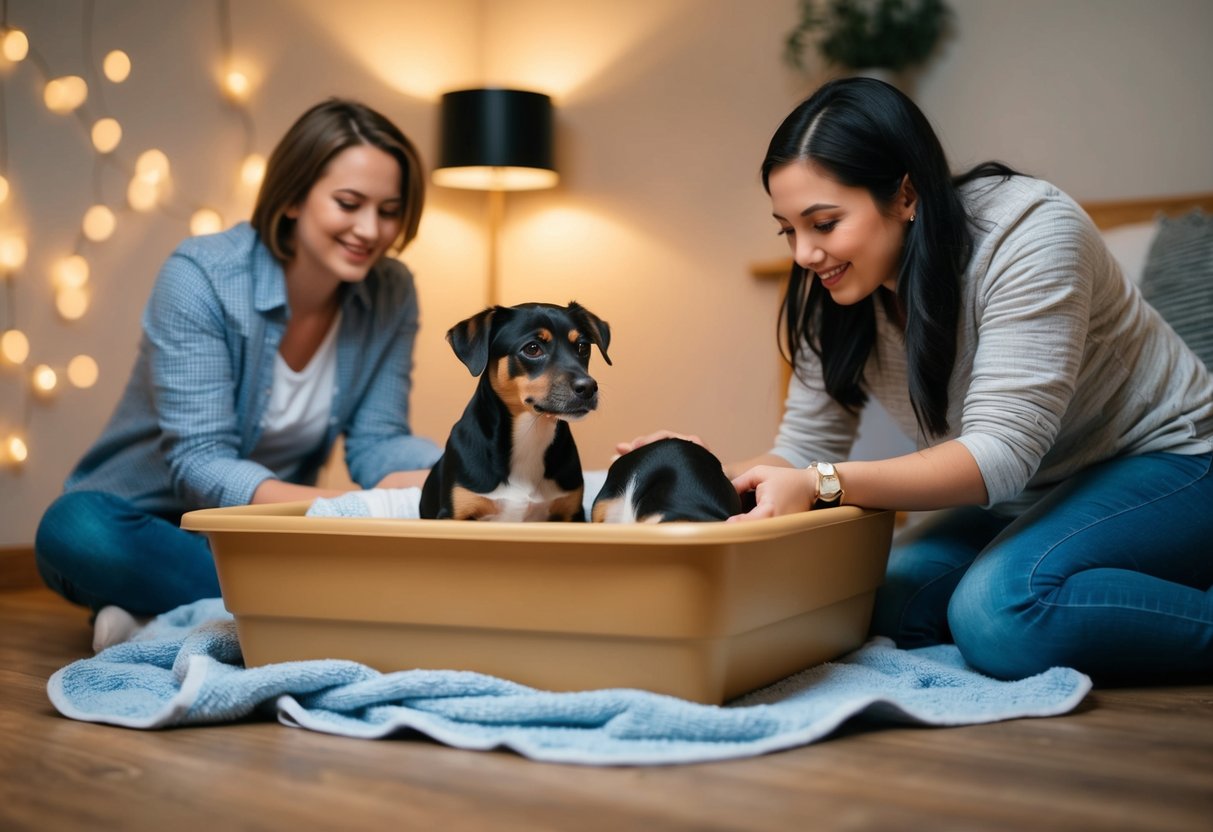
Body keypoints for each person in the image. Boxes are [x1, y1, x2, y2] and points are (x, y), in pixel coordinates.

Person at [621, 78, 1213, 682]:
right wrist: (698, 472)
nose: (803, 254)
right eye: (787, 229)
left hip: (1176, 461)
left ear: (905, 194)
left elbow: (1000, 455)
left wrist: (821, 485)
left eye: (823, 223)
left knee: (999, 613)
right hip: (1030, 497)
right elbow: (802, 450)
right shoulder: (835, 287)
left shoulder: (1031, 231)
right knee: (873, 601)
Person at [36, 98, 441, 648]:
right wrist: (341, 512)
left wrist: (465, 466)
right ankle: (293, 604)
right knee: (72, 527)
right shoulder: (201, 276)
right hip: (146, 525)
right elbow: (199, 465)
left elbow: (379, 444)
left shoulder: (392, 292)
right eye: (349, 203)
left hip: (260, 536)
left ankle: (167, 620)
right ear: (294, 196)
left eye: (390, 210)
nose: (370, 229)